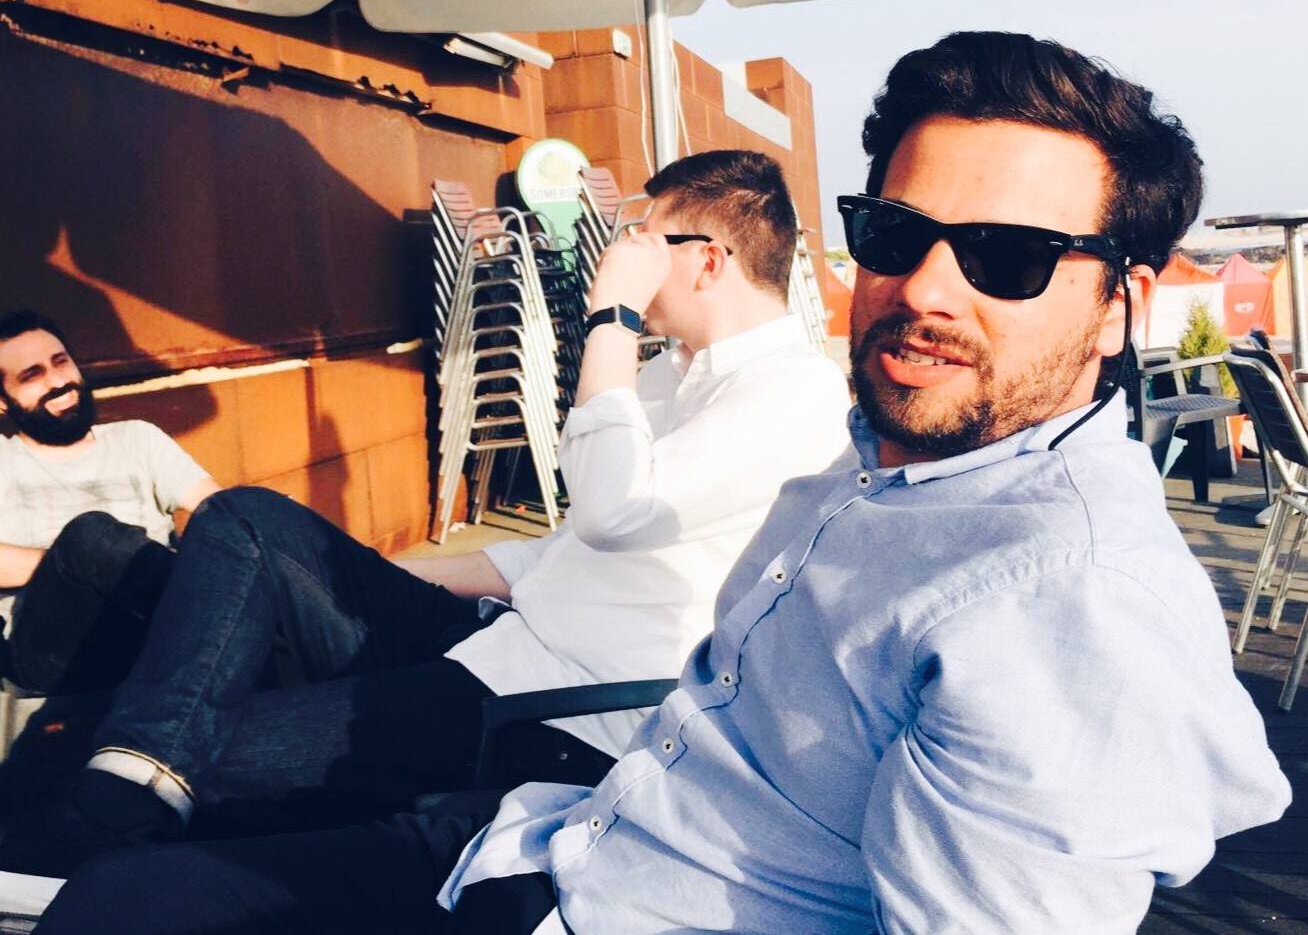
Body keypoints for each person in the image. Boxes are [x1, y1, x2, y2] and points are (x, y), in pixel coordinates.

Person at [29, 32, 1291, 935]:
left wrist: (609, 323)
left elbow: (615, 512)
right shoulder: (882, 459)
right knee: (136, 858)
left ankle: (103, 773)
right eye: (898, 235)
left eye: (1009, 257)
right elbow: (572, 547)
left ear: (1122, 304)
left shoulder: (1060, 599)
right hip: (550, 830)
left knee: (115, 850)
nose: (926, 287)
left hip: (554, 755)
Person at [1, 149, 852, 872]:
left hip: (555, 710)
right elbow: (554, 550)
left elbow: (612, 510)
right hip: (489, 640)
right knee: (244, 522)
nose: (626, 253)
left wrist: (613, 315)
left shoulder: (794, 392)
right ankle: (123, 787)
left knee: (198, 747)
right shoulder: (671, 373)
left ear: (708, 260)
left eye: (648, 238)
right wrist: (362, 575)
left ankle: (93, 822)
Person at [0, 310, 220, 695]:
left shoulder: (137, 438)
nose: (59, 382)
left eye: (61, 362)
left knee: (253, 512)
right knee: (91, 537)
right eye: (32, 375)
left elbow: (217, 507)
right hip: (54, 652)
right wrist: (76, 565)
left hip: (150, 626)